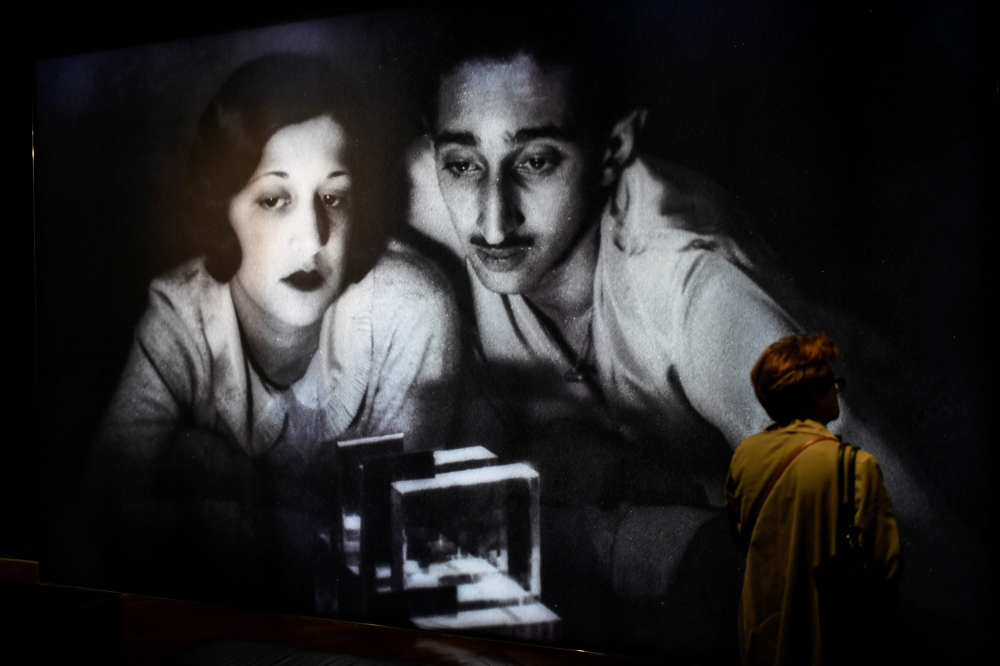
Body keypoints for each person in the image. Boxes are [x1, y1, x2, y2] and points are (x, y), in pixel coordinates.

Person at [404, 20, 956, 660]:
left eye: (536, 161)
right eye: (463, 164)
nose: (492, 219)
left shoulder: (695, 287)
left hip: (907, 439)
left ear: (613, 148)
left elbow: (900, 534)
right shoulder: (419, 186)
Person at [82, 54, 459, 613]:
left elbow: (394, 556)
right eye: (274, 199)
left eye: (333, 197)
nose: (311, 237)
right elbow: (106, 514)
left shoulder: (412, 307)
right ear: (222, 207)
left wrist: (219, 493)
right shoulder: (179, 314)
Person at [726, 334, 902, 666]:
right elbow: (887, 564)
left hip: (761, 628)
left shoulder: (744, 457)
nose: (837, 389)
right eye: (831, 383)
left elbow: (738, 534)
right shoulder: (857, 466)